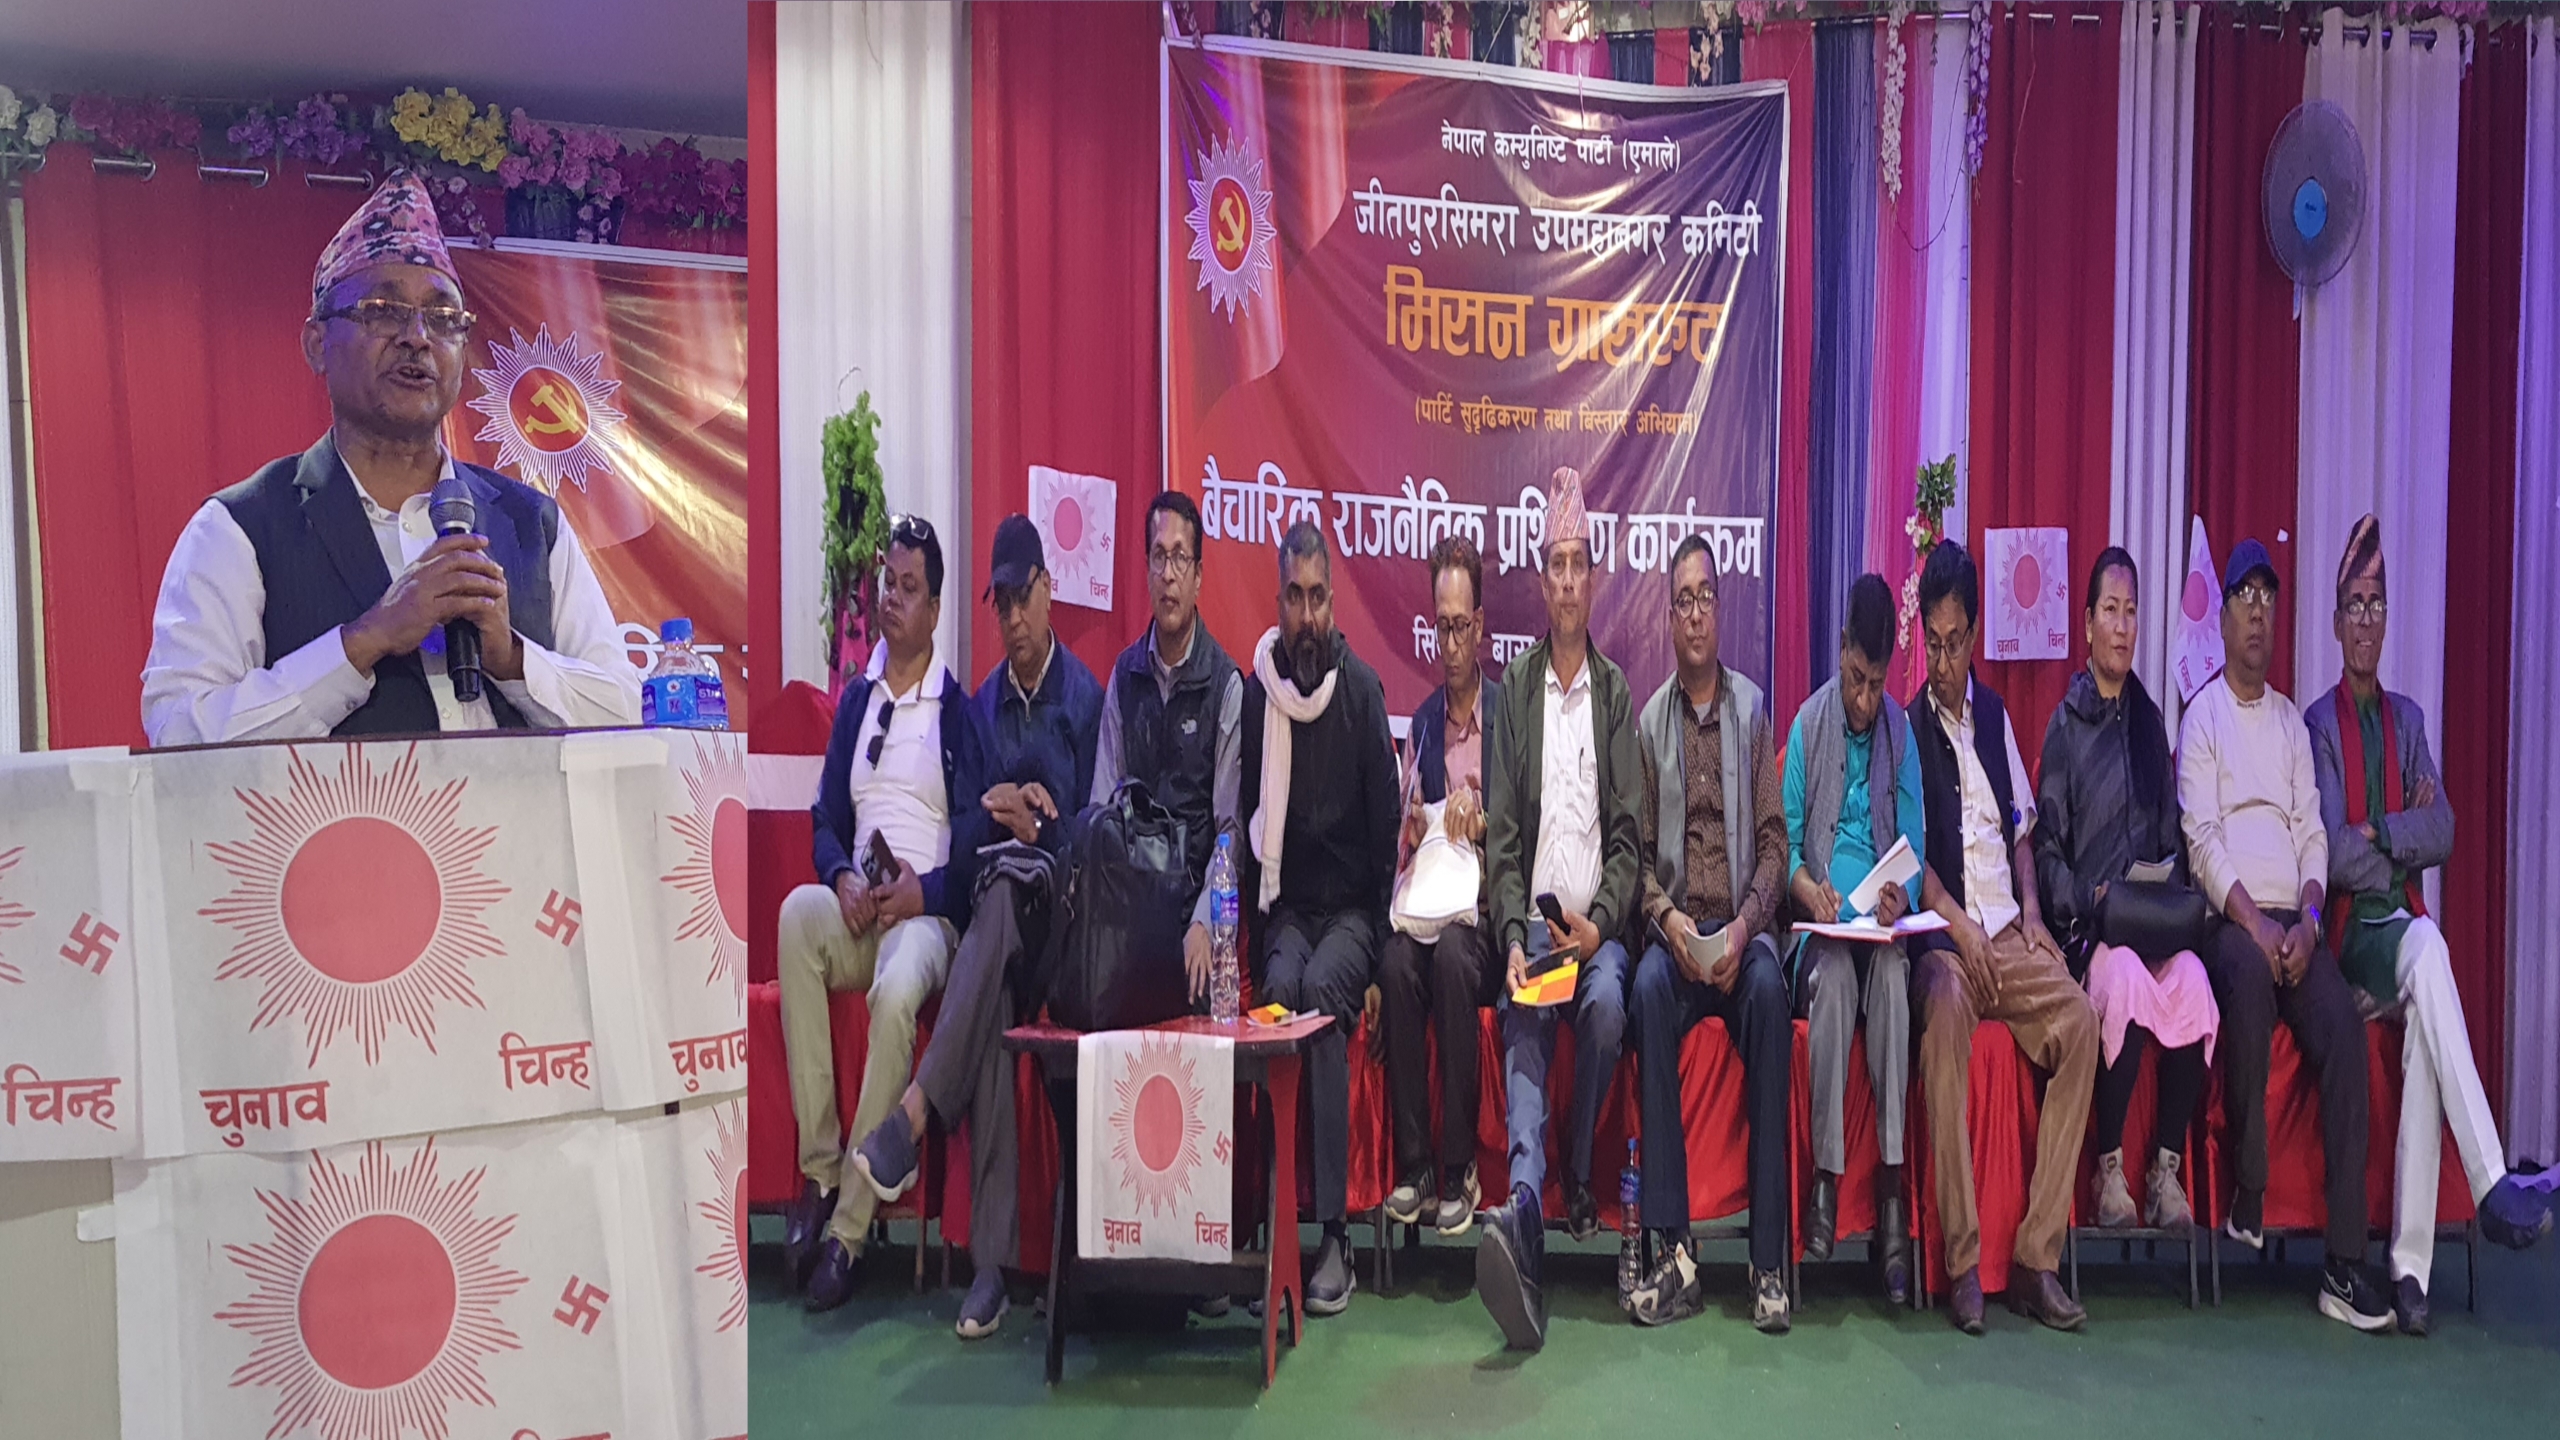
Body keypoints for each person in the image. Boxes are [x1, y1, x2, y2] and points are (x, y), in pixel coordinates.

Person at [141, 170, 639, 744]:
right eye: (383, 311)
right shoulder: (242, 526)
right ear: (317, 344)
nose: (417, 337)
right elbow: (180, 731)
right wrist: (364, 641)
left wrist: (510, 658)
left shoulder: (531, 523)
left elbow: (625, 711)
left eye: (444, 319)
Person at [828, 514, 1107, 1337]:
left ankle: (914, 1117)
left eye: (1024, 599)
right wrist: (999, 818)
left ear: (1048, 592)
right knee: (990, 978)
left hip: (1067, 930)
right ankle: (989, 1270)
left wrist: (1043, 829)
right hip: (997, 925)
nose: (1013, 619)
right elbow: (967, 839)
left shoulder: (1087, 699)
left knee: (1005, 912)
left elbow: (1103, 835)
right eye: (1002, 605)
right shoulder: (981, 709)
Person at [2304, 515, 2552, 1336]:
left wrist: (2380, 832)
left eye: (2376, 606)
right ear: (2335, 623)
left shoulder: (2407, 722)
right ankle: (2490, 1181)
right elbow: (2331, 851)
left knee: (2424, 1016)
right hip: (2353, 942)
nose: (2366, 621)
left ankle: (2409, 1274)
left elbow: (2443, 828)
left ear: (2386, 621)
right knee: (2429, 946)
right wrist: (2392, 842)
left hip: (2402, 936)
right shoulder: (2318, 727)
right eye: (2354, 605)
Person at [2178, 536, 2387, 1330]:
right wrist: (2257, 923)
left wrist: (2306, 918)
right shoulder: (2203, 719)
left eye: (2268, 599)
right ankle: (2250, 1188)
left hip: (2295, 920)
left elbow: (2313, 835)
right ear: (2224, 619)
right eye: (2246, 599)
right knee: (2248, 982)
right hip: (2231, 922)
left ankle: (2344, 1263)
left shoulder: (2293, 726)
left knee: (2343, 1030)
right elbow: (2202, 840)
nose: (2259, 614)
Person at [775, 517, 976, 1310]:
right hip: (861, 913)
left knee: (895, 993)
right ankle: (821, 1174)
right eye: (888, 583)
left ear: (935, 611)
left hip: (924, 923)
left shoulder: (956, 712)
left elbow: (979, 851)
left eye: (909, 588)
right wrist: (840, 877)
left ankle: (850, 1230)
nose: (892, 598)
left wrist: (926, 892)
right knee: (797, 917)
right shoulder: (857, 701)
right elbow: (825, 817)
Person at [1908, 540, 2097, 1335]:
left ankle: (2034, 1260)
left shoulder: (1994, 719)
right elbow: (1910, 860)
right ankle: (1961, 1266)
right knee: (1945, 1014)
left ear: (1975, 634)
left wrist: (2033, 913)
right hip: (1947, 942)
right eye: (1933, 644)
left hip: (2009, 934)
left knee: (2081, 1023)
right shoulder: (1908, 730)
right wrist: (1959, 928)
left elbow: (2020, 831)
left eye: (1955, 643)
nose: (1944, 661)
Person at [1475, 466, 1642, 1353]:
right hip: (1538, 937)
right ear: (1542, 581)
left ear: (1594, 578)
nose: (1570, 581)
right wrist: (1513, 936)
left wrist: (1601, 923)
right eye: (1557, 566)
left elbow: (1629, 839)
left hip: (1597, 935)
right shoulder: (1515, 691)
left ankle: (1578, 1173)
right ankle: (1526, 1212)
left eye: (1581, 565)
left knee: (1608, 1005)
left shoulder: (1614, 693)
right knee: (1525, 1020)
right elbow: (1502, 839)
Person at [1221, 522, 1399, 1315]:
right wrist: (1256, 940)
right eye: (1293, 598)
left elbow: (1387, 846)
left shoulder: (1362, 694)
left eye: (1317, 598)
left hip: (1353, 915)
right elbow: (1247, 831)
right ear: (1278, 602)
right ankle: (1270, 1230)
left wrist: (1381, 963)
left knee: (1323, 992)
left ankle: (1334, 1236)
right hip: (1288, 910)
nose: (1305, 616)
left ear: (1333, 603)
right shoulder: (1260, 692)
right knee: (1281, 991)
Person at [1623, 537, 1792, 1332]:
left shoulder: (1751, 712)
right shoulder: (1649, 723)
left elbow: (1775, 843)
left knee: (1770, 995)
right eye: (1682, 600)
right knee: (1646, 994)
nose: (1695, 614)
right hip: (1680, 938)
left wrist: (1749, 923)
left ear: (1721, 611)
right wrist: (1670, 923)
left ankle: (1767, 1261)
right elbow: (1634, 859)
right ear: (1669, 618)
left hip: (1744, 934)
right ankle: (1675, 1252)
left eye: (1706, 598)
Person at [2034, 548, 2215, 1233]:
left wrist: (2168, 881)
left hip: (2153, 920)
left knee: (2193, 979)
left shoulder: (2150, 721)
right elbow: (2045, 853)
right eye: (2110, 610)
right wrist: (2090, 897)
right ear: (2086, 624)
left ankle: (2165, 1168)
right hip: (2095, 933)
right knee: (2129, 978)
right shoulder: (2066, 725)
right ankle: (2107, 1167)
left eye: (2131, 611)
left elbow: (2172, 837)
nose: (2121, 625)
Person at [1781, 573, 1924, 1304]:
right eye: (1857, 679)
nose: (1866, 699)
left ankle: (1892, 1192)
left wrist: (1903, 898)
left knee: (1894, 978)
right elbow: (1783, 851)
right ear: (1841, 651)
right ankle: (1827, 1184)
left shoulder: (1902, 734)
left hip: (1882, 931)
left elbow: (1915, 847)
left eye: (1877, 683)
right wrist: (1809, 889)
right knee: (1835, 975)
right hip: (1825, 932)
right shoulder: (1807, 727)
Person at [1380, 534, 1502, 1238]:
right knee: (1397, 962)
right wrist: (1413, 826)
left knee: (1455, 956)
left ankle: (1459, 1168)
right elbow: (1406, 834)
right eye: (1441, 628)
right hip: (1426, 906)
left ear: (1480, 626)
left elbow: (1526, 826)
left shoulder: (1507, 717)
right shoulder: (1423, 724)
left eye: (1461, 627)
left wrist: (1480, 822)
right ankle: (1414, 1166)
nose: (1450, 645)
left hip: (1480, 915)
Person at [1099, 490, 1243, 942]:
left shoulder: (1224, 685)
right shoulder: (1125, 676)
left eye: (1180, 558)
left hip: (1192, 910)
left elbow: (1230, 833)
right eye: (1159, 557)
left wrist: (1204, 920)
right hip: (1128, 906)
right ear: (1146, 570)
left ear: (1198, 576)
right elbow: (1102, 808)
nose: (1168, 574)